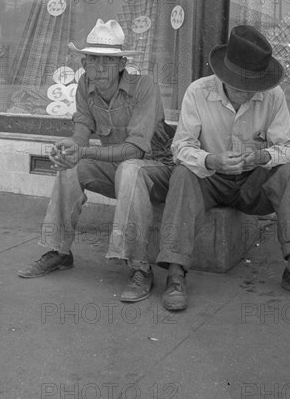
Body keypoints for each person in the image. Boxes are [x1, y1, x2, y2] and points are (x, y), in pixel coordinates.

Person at [156, 25, 290, 310]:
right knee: (183, 173)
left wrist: (262, 157)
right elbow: (180, 148)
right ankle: (175, 274)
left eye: (253, 88)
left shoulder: (273, 96)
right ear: (224, 75)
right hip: (210, 179)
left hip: (252, 185)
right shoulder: (197, 92)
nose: (247, 94)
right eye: (240, 87)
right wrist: (210, 160)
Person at [18, 19, 175, 304]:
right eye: (93, 60)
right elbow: (80, 135)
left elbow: (135, 151)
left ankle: (140, 267)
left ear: (121, 64)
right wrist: (68, 148)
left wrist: (84, 152)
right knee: (69, 167)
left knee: (129, 169)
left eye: (107, 61)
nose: (99, 68)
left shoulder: (144, 87)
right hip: (119, 171)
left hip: (158, 172)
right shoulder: (85, 85)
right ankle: (59, 251)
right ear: (84, 62)